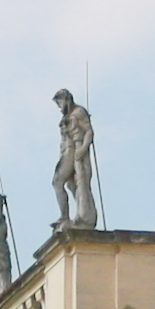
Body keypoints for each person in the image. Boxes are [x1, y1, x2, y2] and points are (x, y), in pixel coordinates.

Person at [49, 90, 99, 231]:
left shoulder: (79, 112)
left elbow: (89, 131)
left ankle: (67, 216)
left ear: (66, 99)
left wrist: (83, 148)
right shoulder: (69, 115)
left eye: (60, 103)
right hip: (66, 150)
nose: (60, 108)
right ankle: (79, 214)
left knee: (58, 181)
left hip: (73, 150)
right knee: (72, 185)